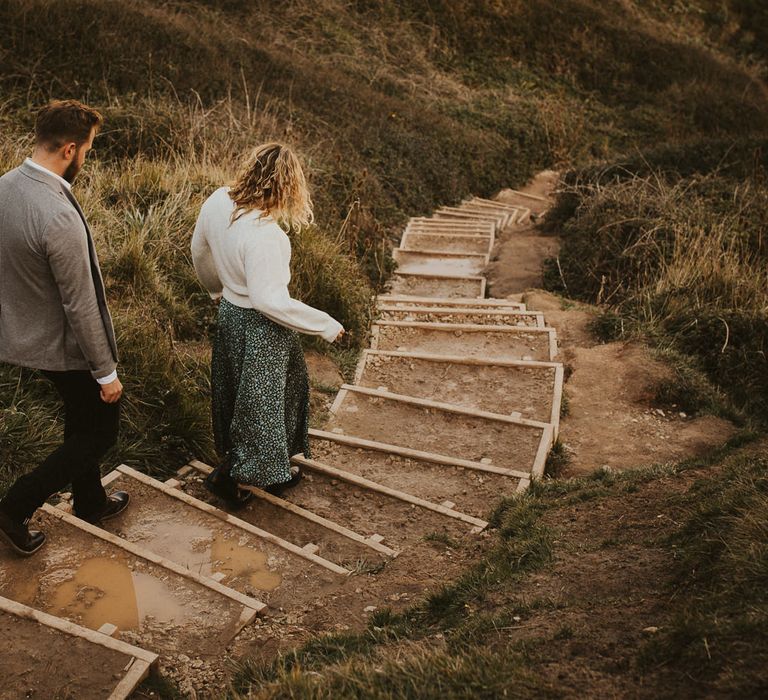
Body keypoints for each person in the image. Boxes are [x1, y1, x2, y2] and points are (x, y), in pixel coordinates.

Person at [0, 100, 129, 556]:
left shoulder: (5, 187)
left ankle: (91, 501)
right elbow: (80, 301)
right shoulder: (57, 215)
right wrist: (105, 371)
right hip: (64, 344)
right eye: (88, 150)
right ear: (70, 150)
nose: (86, 159)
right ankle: (14, 507)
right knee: (99, 431)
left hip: (22, 333)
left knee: (80, 418)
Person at [191, 143, 344, 507]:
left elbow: (199, 249)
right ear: (289, 186)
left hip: (230, 312)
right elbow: (269, 301)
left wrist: (216, 289)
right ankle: (233, 478)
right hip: (261, 328)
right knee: (264, 405)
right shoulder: (266, 236)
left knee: (238, 396)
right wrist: (324, 325)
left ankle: (268, 469)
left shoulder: (217, 201)